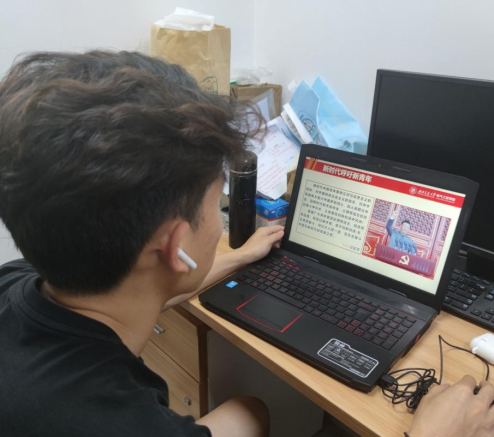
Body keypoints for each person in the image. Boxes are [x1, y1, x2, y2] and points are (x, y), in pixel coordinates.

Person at [0, 51, 492, 437]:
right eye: (216, 201)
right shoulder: (124, 424)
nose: (220, 225)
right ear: (175, 247)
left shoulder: (21, 280)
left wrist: (237, 257)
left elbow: (134, 288)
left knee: (249, 411)